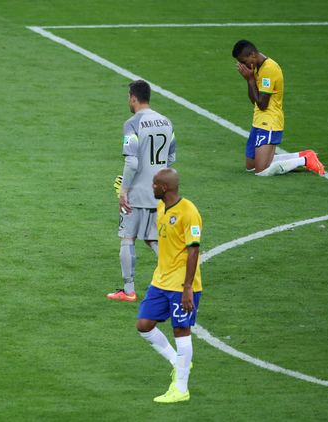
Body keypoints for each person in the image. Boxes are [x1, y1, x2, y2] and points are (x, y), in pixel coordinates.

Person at [107, 80, 176, 302]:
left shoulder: (132, 124)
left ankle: (128, 291)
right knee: (153, 239)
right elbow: (171, 158)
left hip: (136, 192)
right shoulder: (166, 122)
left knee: (128, 238)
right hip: (159, 192)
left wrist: (124, 191)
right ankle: (174, 279)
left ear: (133, 98)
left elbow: (133, 163)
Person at [137, 168, 202, 403]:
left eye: (154, 184)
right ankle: (178, 362)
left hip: (181, 285)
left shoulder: (189, 212)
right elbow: (167, 242)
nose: (152, 187)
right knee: (144, 325)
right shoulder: (162, 207)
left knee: (181, 330)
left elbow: (193, 250)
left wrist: (187, 288)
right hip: (160, 280)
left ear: (164, 188)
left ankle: (181, 389)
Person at [232, 39, 325, 176]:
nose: (243, 65)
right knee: (251, 167)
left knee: (261, 171)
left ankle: (305, 160)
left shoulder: (269, 69)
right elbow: (254, 100)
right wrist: (249, 80)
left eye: (243, 61)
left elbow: (263, 105)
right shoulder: (256, 67)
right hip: (258, 120)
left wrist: (250, 80)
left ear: (253, 55)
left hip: (270, 122)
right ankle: (302, 155)